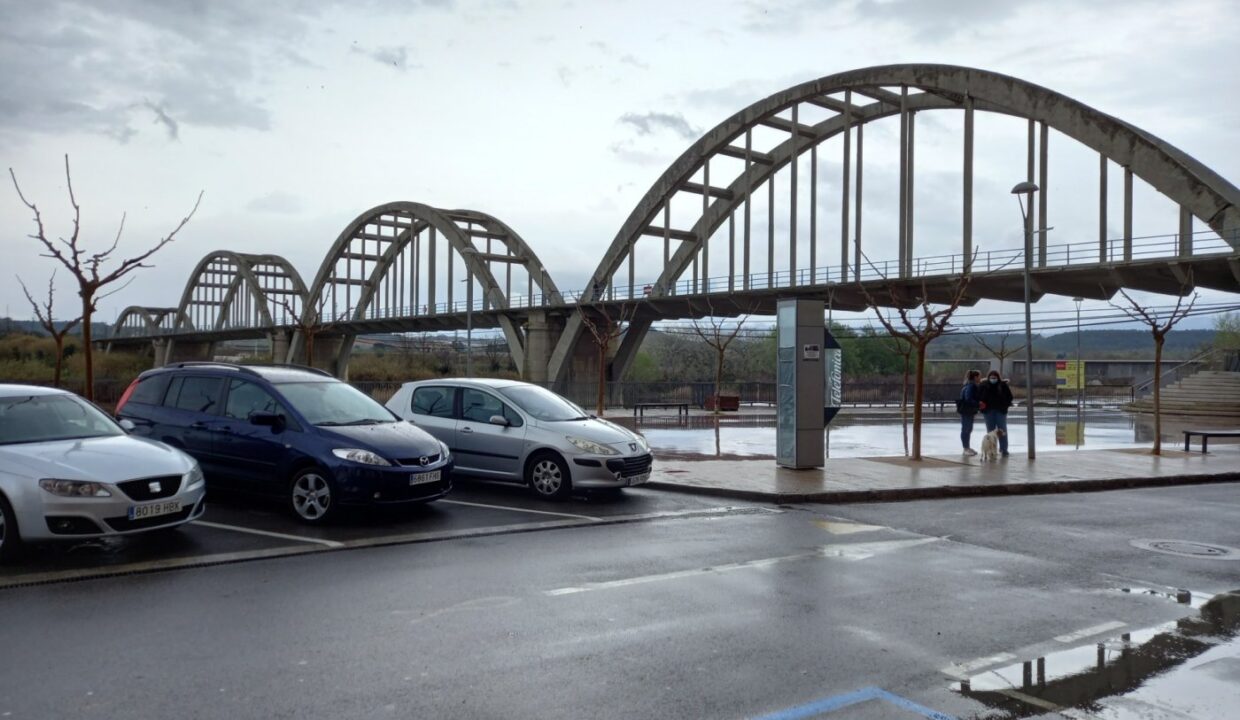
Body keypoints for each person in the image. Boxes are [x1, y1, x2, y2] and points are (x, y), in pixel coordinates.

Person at [977, 369, 1014, 456]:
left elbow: (1010, 397)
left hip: (1000, 411)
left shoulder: (1003, 385)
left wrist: (1005, 405)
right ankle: (991, 449)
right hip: (988, 411)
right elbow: (978, 397)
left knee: (1002, 430)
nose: (993, 379)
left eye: (995, 377)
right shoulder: (983, 386)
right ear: (988, 377)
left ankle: (1004, 449)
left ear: (998, 377)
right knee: (990, 432)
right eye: (991, 377)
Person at [957, 369, 982, 456]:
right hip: (967, 410)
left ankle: (967, 447)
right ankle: (966, 448)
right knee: (966, 429)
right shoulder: (971, 386)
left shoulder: (968, 385)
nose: (980, 378)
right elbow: (968, 399)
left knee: (967, 429)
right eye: (979, 376)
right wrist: (978, 403)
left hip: (967, 410)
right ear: (975, 377)